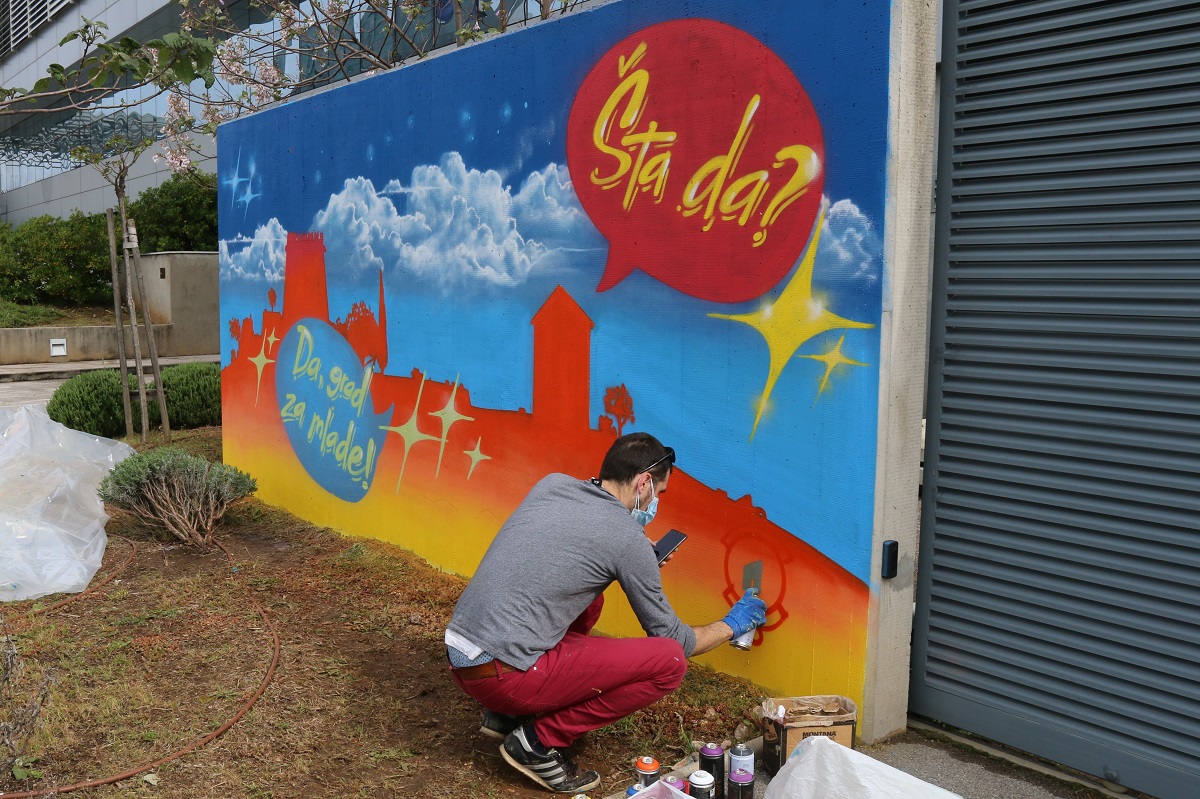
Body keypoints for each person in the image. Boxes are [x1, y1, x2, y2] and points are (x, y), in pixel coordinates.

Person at [444, 432, 768, 793]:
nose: (656, 501)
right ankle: (537, 742)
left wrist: (632, 548)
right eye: (659, 492)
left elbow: (566, 545)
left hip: (463, 654)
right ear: (644, 482)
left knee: (591, 598)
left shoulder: (553, 484)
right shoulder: (626, 538)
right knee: (670, 662)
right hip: (503, 676)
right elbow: (674, 639)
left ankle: (507, 715)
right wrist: (732, 624)